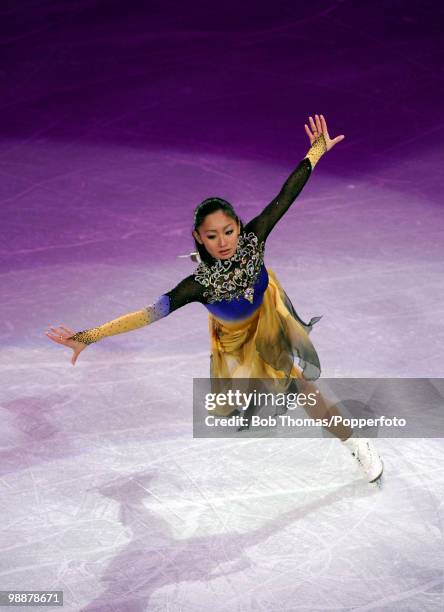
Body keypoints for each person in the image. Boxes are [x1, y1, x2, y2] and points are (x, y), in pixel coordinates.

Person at [45, 114, 384, 484]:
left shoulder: (254, 238)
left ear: (239, 226)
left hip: (268, 318)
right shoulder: (197, 285)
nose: (223, 241)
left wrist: (315, 151)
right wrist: (89, 336)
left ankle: (356, 443)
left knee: (301, 386)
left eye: (228, 231)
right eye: (212, 236)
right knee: (260, 388)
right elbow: (147, 314)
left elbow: (286, 195)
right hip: (234, 337)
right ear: (198, 238)